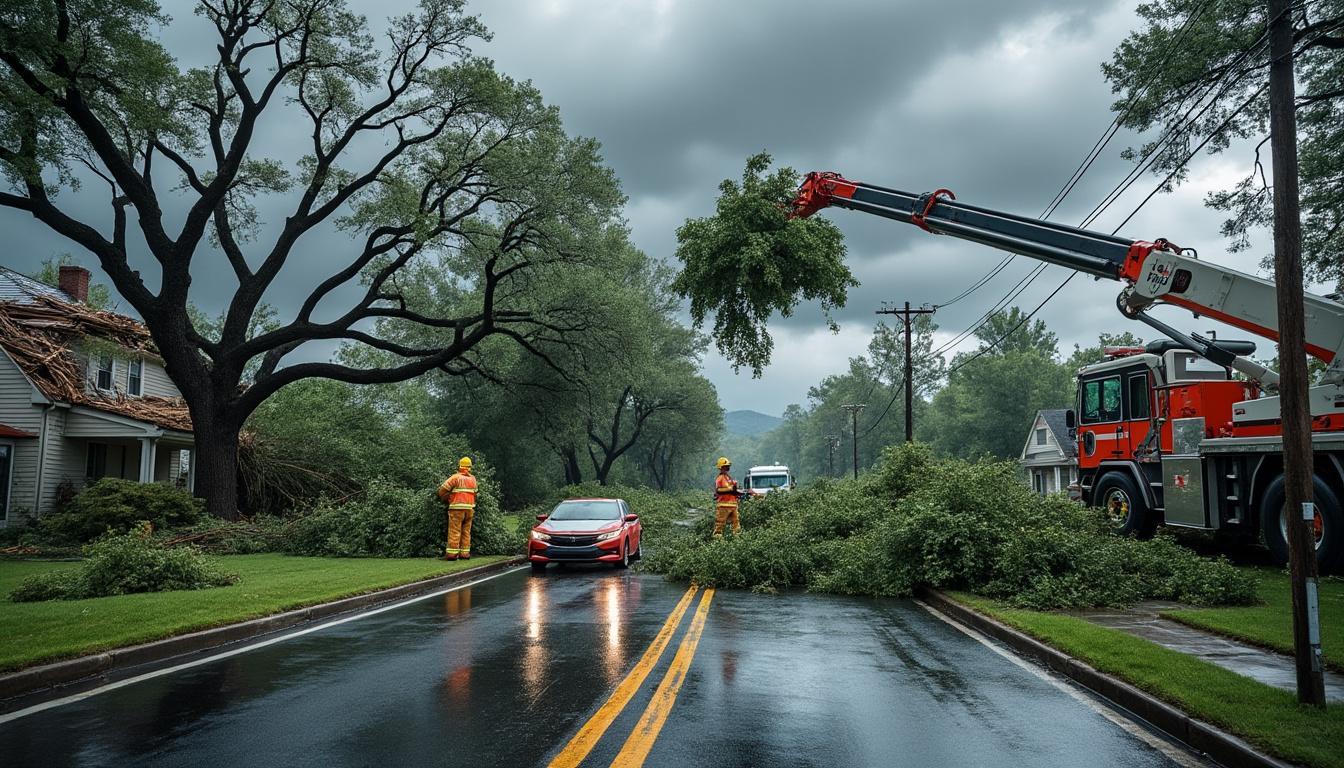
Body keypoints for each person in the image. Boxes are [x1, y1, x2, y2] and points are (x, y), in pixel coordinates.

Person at [437, 457, 479, 560]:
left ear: (460, 466)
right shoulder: (473, 479)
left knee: (454, 531)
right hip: (470, 509)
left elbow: (442, 490)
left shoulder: (455, 477)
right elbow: (475, 494)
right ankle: (465, 554)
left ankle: (452, 554)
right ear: (470, 467)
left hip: (457, 508)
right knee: (466, 532)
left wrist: (446, 497)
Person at [713, 456, 741, 536]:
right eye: (726, 466)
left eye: (728, 466)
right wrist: (730, 489)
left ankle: (737, 540)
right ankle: (717, 540)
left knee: (736, 524)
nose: (728, 467)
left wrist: (737, 492)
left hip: (733, 505)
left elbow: (732, 490)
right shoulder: (720, 478)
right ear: (721, 467)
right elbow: (718, 490)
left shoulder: (728, 478)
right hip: (723, 505)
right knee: (720, 525)